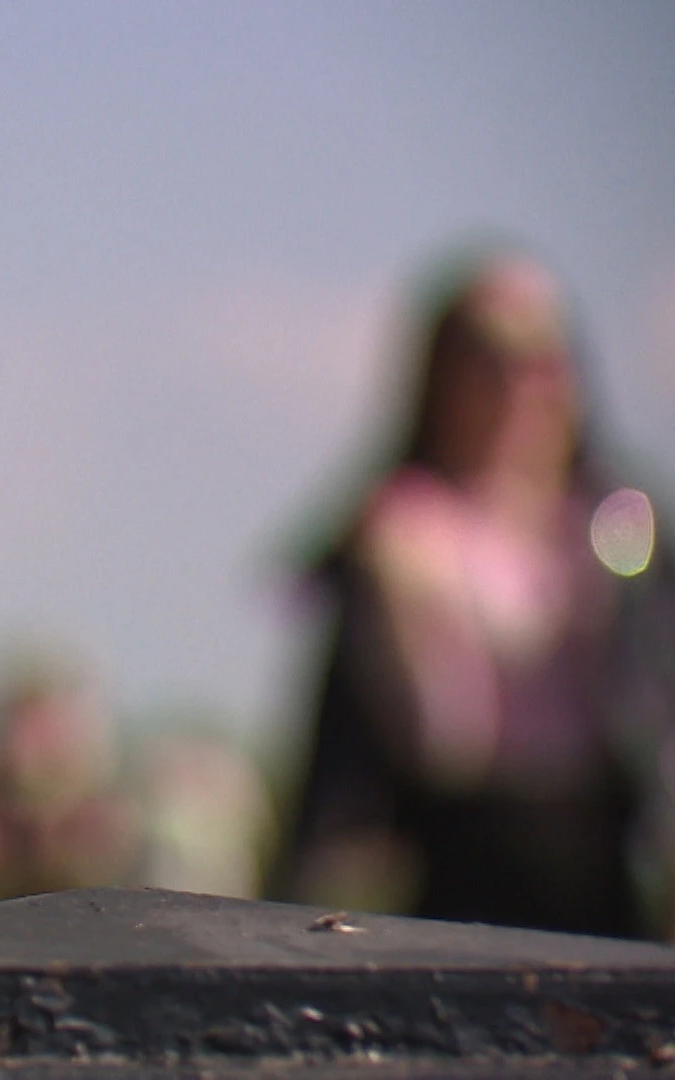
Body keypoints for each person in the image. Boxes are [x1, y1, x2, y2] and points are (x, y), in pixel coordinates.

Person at [272, 249, 675, 939]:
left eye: (543, 358)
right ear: (440, 374)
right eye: (488, 357)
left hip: (604, 871)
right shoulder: (395, 535)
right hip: (449, 875)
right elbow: (400, 755)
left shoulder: (621, 526)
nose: (519, 386)